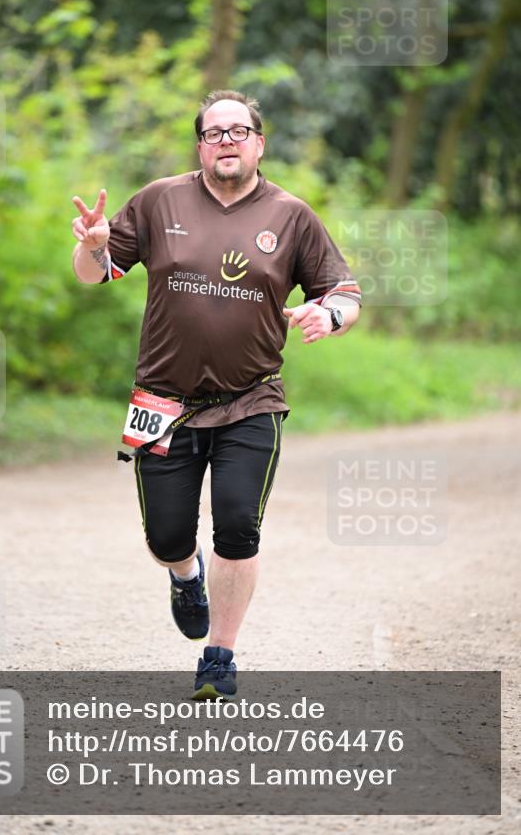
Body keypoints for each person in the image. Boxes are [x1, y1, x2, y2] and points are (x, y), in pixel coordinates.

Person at [71, 90, 361, 699]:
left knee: (237, 524)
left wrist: (328, 317)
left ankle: (219, 656)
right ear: (200, 145)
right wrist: (93, 246)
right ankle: (185, 574)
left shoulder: (291, 215)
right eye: (214, 132)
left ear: (259, 142)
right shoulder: (158, 200)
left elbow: (344, 291)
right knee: (166, 537)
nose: (226, 140)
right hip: (163, 404)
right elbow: (94, 274)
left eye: (238, 130)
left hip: (251, 399)